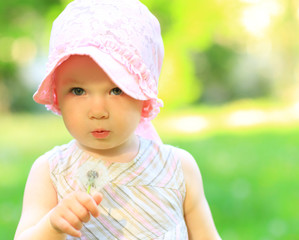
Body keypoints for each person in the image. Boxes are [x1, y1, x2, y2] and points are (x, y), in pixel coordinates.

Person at [14, 0, 221, 239]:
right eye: (78, 91)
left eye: (116, 90)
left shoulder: (177, 168)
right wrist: (51, 225)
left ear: (144, 95)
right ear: (57, 96)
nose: (98, 111)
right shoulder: (51, 172)